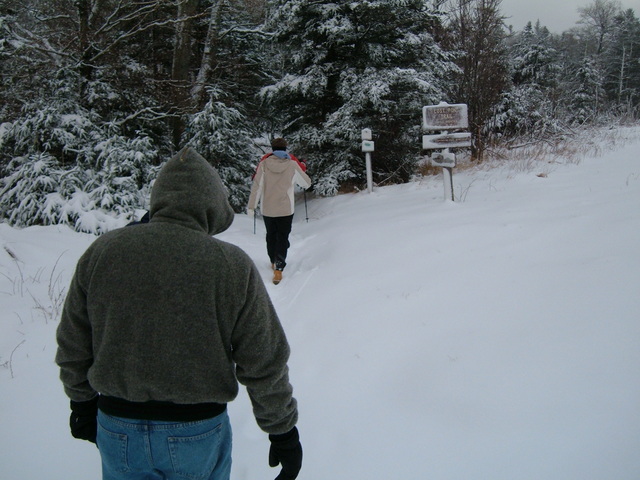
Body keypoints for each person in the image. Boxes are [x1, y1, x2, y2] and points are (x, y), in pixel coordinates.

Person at [55, 147, 302, 480]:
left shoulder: (103, 251)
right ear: (213, 206)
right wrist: (282, 431)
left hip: (117, 427)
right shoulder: (230, 265)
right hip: (196, 431)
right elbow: (263, 359)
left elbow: (74, 340)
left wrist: (81, 402)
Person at [247, 138, 311, 285]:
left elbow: (257, 187)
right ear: (285, 148)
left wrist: (251, 206)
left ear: (272, 148)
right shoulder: (292, 165)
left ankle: (272, 261)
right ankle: (279, 266)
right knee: (283, 236)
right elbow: (306, 183)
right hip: (286, 209)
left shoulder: (263, 164)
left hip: (267, 209)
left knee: (271, 235)